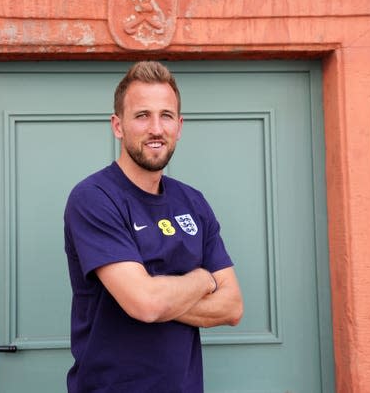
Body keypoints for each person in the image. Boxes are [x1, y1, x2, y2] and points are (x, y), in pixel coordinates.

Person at [63, 61, 244, 393]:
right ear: (118, 125)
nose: (156, 129)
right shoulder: (94, 198)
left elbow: (232, 306)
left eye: (166, 116)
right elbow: (144, 304)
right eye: (142, 115)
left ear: (180, 125)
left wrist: (161, 297)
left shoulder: (193, 202)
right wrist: (203, 279)